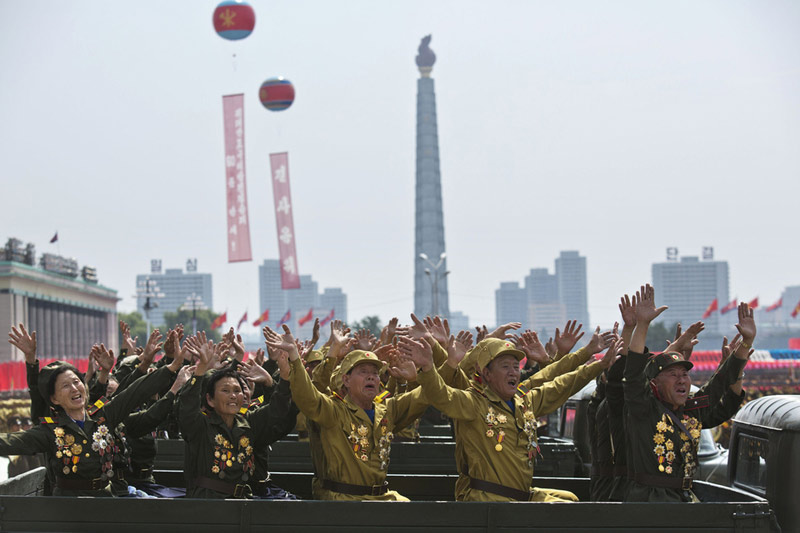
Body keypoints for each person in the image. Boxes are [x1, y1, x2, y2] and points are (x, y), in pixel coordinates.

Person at [399, 331, 623, 502]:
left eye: (516, 366)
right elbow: (441, 394)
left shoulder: (524, 401)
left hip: (520, 496)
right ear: (486, 373)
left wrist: (599, 364)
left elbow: (559, 383)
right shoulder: (473, 403)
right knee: (560, 513)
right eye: (505, 366)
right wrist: (428, 368)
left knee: (570, 500)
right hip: (488, 500)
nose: (513, 372)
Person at [1, 325, 185, 496]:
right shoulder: (50, 430)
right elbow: (13, 441)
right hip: (67, 508)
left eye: (76, 382)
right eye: (65, 386)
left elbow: (135, 392)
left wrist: (171, 368)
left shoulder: (104, 415)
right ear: (54, 399)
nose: (74, 388)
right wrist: (31, 361)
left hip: (109, 500)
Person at [264, 324, 427, 501]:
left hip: (382, 498)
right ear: (346, 380)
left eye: (375, 373)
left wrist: (424, 369)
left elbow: (429, 394)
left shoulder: (388, 409)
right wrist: (295, 356)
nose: (371, 376)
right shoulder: (334, 411)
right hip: (344, 501)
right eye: (363, 372)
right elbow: (308, 395)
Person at [623, 284, 753, 502]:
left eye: (685, 374)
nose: (682, 379)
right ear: (654, 384)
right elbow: (634, 374)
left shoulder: (691, 411)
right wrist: (642, 325)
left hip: (685, 499)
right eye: (673, 374)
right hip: (651, 502)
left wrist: (746, 343)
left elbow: (719, 384)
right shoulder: (644, 409)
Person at [180, 332, 295, 499]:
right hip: (207, 503)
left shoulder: (247, 422)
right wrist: (201, 368)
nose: (233, 396)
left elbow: (276, 410)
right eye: (225, 391)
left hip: (243, 503)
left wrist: (284, 377)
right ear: (210, 400)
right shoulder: (200, 425)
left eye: (237, 391)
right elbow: (187, 406)